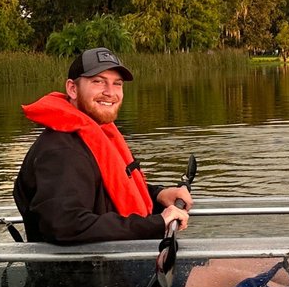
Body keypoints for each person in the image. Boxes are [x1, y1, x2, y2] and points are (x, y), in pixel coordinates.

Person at [14, 47, 193, 244]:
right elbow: (65, 224)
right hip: (84, 271)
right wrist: (157, 223)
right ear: (72, 89)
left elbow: (106, 191)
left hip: (112, 264)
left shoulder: (91, 137)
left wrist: (159, 195)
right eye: (98, 81)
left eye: (117, 84)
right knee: (228, 268)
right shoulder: (62, 152)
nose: (110, 92)